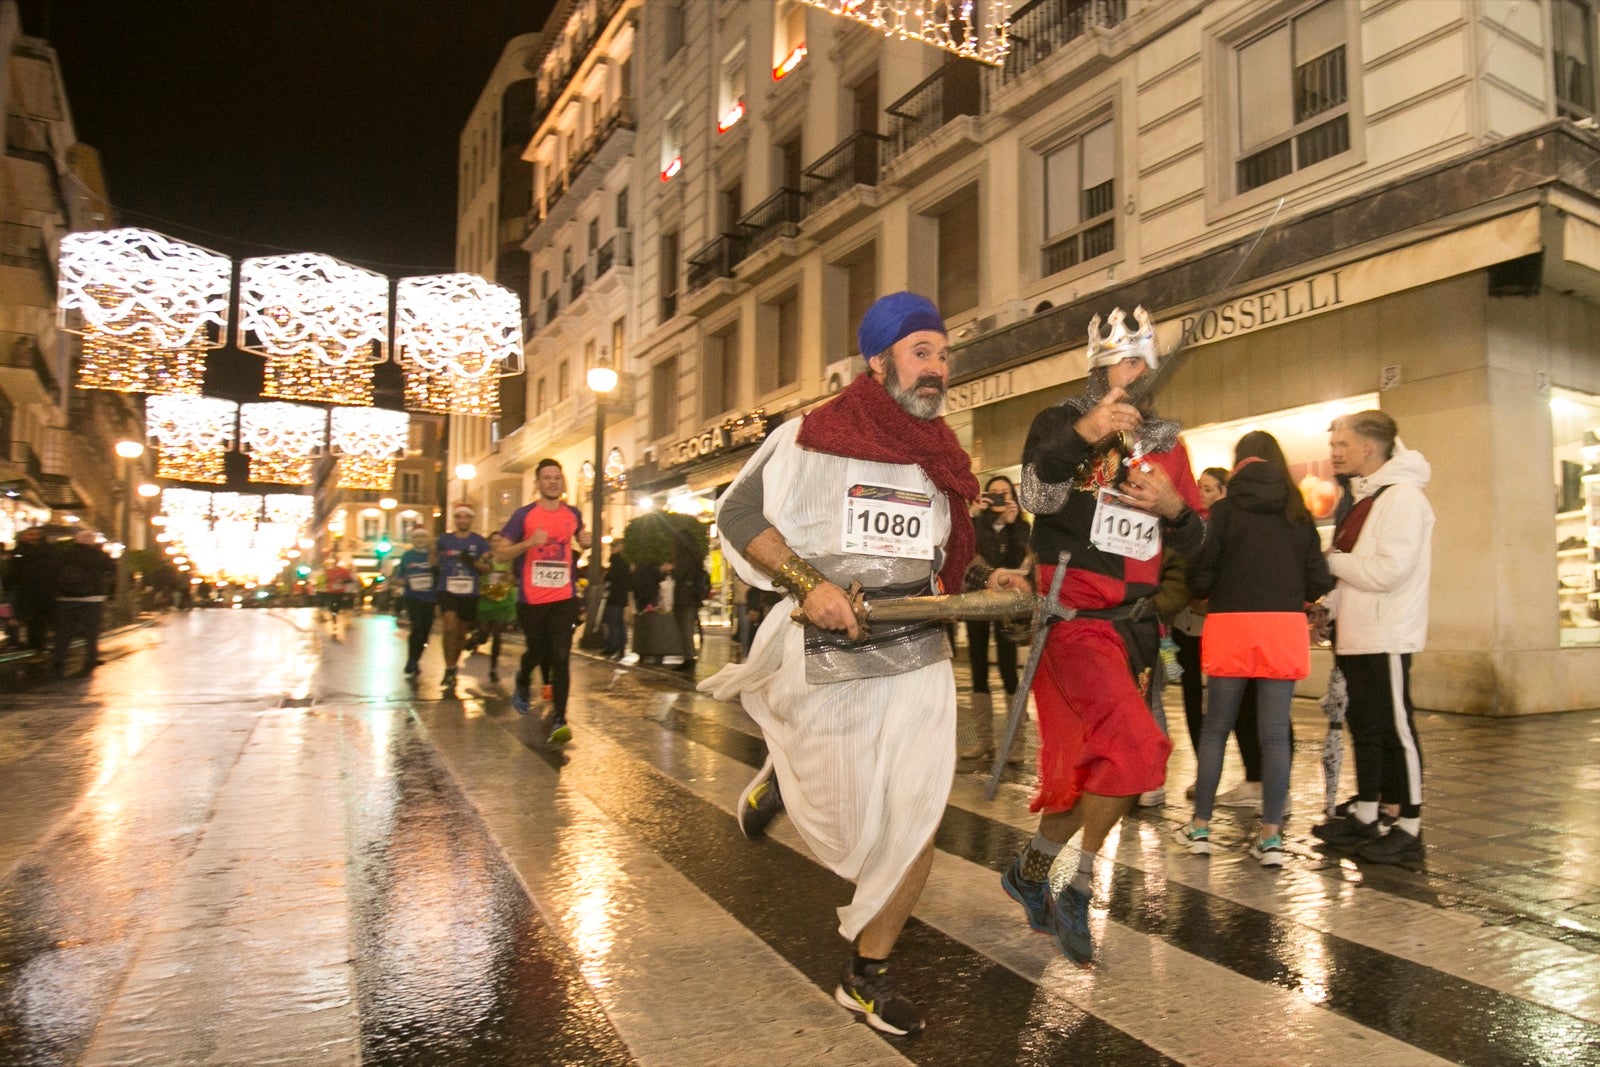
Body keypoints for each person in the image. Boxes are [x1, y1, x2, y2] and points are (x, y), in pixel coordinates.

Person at [702, 291, 1026, 1037]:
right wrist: (807, 585)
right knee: (843, 807)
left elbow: (939, 553)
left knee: (914, 817)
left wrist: (983, 579)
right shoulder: (807, 437)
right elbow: (738, 516)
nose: (939, 368)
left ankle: (867, 973)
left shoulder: (939, 454)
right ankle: (787, 768)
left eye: (944, 355)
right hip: (823, 652)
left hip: (916, 657)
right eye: (922, 352)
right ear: (878, 363)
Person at [1007, 305, 1205, 964]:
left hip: (1134, 631)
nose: (1137, 376)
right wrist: (1087, 431)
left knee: (1083, 774)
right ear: (1097, 368)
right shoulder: (1061, 422)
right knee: (1138, 748)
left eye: (1146, 364)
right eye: (1125, 363)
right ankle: (1080, 887)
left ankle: (1031, 872)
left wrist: (1176, 510)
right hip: (1069, 624)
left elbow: (1201, 542)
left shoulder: (1169, 444)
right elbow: (1034, 494)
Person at [1175, 431, 1333, 866]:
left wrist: (1217, 586)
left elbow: (1199, 575)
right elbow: (1319, 580)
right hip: (1282, 627)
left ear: (1240, 463)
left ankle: (1201, 827)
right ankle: (1270, 838)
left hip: (1230, 625)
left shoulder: (1224, 512)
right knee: (1275, 733)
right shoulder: (1297, 512)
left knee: (1215, 728)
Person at [1311, 411, 1435, 865]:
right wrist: (1331, 608)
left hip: (1388, 635)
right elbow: (1356, 573)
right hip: (1360, 635)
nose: (1334, 452)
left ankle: (1409, 824)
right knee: (1365, 726)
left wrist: (1331, 561)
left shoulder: (1403, 498)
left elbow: (1387, 571)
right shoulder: (1371, 496)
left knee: (1397, 729)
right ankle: (1366, 814)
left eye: (1342, 444)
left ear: (1369, 447)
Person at [497, 458, 590, 745]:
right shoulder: (523, 515)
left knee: (561, 656)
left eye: (557, 478)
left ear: (562, 482)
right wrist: (527, 543)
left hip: (564, 597)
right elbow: (500, 554)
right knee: (537, 651)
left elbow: (582, 539)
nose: (552, 482)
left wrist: (586, 540)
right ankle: (523, 678)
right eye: (546, 478)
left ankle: (560, 719)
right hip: (531, 599)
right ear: (537, 483)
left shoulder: (572, 513)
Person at [960, 474, 1032, 762]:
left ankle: (1015, 744)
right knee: (978, 670)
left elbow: (1018, 561)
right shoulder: (979, 526)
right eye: (994, 494)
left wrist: (1013, 525)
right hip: (978, 603)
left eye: (1005, 493)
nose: (1001, 499)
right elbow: (975, 556)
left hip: (1008, 606)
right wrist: (974, 517)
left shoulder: (1022, 527)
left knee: (1008, 670)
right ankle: (984, 740)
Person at [435, 503, 492, 690]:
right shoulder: (444, 540)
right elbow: (432, 561)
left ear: (471, 520)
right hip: (447, 590)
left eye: (466, 517)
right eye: (458, 517)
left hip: (469, 592)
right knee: (450, 627)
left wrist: (473, 563)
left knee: (460, 633)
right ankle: (449, 668)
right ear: (454, 519)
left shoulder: (480, 541)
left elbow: (488, 568)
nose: (462, 520)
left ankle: (453, 665)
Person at [51, 530, 116, 678]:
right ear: (92, 541)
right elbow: (111, 568)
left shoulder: (65, 554)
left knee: (64, 630)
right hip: (92, 598)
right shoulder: (97, 555)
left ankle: (58, 658)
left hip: (66, 598)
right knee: (91, 630)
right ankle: (91, 658)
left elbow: (53, 571)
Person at [474, 531, 518, 682]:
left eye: (500, 541)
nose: (496, 543)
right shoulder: (484, 557)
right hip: (486, 599)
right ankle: (474, 640)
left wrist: (510, 577)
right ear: (489, 542)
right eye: (493, 540)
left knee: (497, 635)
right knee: (484, 634)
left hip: (503, 600)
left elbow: (514, 576)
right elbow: (476, 572)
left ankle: (493, 669)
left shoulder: (509, 558)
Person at [394, 527, 437, 677]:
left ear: (428, 539)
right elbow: (399, 577)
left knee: (425, 634)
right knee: (417, 629)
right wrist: (405, 581)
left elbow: (439, 572)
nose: (420, 540)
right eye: (417, 537)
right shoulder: (407, 555)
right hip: (412, 597)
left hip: (430, 598)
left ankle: (416, 660)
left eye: (423, 536)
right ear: (412, 539)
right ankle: (411, 660)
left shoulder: (434, 555)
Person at [6, 526, 55, 652]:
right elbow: (12, 571)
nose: (33, 537)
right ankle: (30, 643)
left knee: (39, 619)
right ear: (24, 536)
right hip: (25, 590)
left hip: (43, 591)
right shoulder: (19, 551)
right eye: (30, 534)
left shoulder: (47, 550)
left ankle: (38, 645)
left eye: (35, 534)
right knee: (26, 617)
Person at [601, 538, 631, 660]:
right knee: (619, 622)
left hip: (614, 595)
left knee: (613, 621)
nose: (612, 548)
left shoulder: (617, 560)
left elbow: (611, 576)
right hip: (621, 595)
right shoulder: (625, 561)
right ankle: (621, 646)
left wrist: (606, 576)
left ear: (620, 546)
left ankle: (613, 646)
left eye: (614, 546)